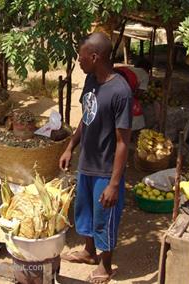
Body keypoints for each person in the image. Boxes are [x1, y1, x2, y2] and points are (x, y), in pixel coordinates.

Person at [59, 32, 132, 283]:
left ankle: (106, 265)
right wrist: (71, 146)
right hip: (87, 163)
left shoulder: (120, 91)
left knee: (105, 217)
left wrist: (114, 183)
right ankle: (89, 252)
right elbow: (86, 117)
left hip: (105, 169)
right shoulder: (91, 79)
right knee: (86, 213)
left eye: (81, 57)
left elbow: (123, 141)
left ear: (95, 56)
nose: (78, 61)